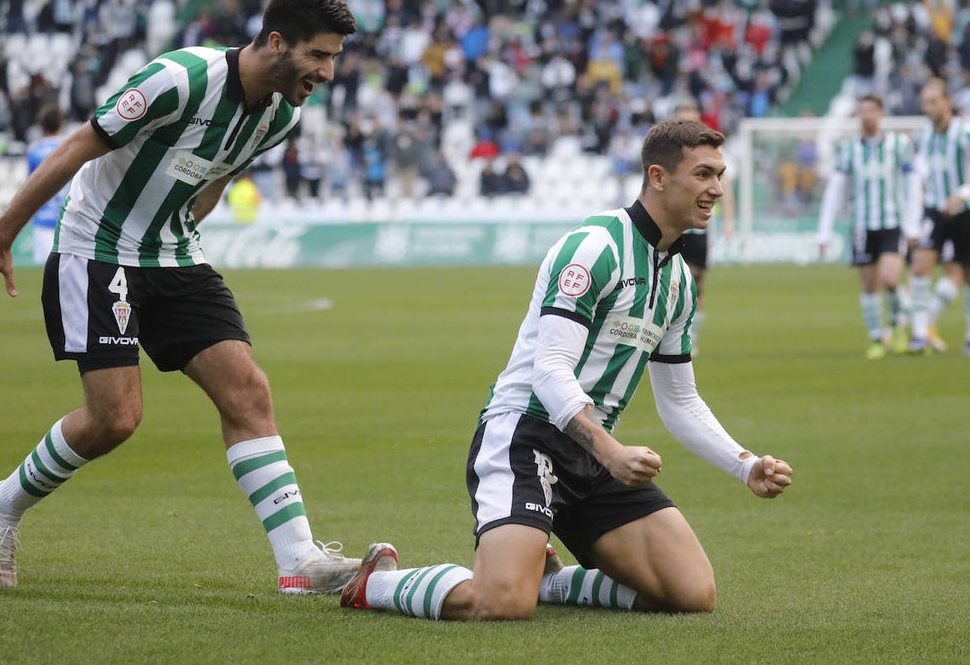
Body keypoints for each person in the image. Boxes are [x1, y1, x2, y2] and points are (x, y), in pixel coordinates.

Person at [0, 0, 383, 593]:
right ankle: (3, 503)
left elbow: (214, 179)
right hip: (96, 251)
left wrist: (176, 243)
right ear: (277, 42)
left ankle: (298, 561)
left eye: (334, 56)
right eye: (319, 55)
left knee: (248, 392)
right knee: (115, 419)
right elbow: (78, 145)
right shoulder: (180, 78)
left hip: (175, 259)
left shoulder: (282, 114)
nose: (329, 72)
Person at [338, 119, 793, 620]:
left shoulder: (680, 280)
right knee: (502, 602)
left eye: (720, 175)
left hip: (593, 456)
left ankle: (549, 581)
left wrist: (744, 464)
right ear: (658, 177)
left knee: (689, 594)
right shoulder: (595, 247)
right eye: (705, 174)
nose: (717, 189)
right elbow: (549, 371)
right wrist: (612, 452)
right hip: (526, 435)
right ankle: (378, 584)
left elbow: (680, 400)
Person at [816, 94, 919, 359]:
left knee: (891, 279)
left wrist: (913, 223)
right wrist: (824, 229)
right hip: (862, 225)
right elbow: (835, 189)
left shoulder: (899, 144)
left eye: (871, 110)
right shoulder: (849, 148)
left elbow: (913, 182)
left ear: (881, 113)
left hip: (892, 222)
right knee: (869, 286)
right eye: (862, 110)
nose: (866, 115)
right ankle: (877, 338)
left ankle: (897, 327)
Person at [906, 78, 970, 356]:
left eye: (933, 102)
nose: (928, 108)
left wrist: (963, 192)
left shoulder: (965, 132)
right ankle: (920, 333)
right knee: (920, 266)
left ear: (947, 102)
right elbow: (916, 172)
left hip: (964, 211)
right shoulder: (922, 136)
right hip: (934, 210)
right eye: (924, 102)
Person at [672, 103, 734, 356]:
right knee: (669, 282)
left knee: (696, 283)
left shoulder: (710, 152)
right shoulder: (668, 153)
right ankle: (667, 335)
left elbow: (724, 185)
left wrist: (729, 221)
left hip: (700, 227)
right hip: (673, 225)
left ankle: (691, 336)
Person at [26, 104, 67, 264]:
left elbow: (29, 188)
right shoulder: (70, 148)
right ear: (61, 124)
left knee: (43, 275)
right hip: (67, 220)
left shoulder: (34, 151)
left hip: (43, 220)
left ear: (42, 126)